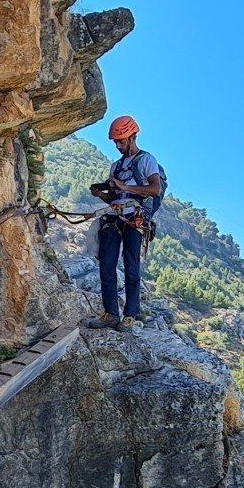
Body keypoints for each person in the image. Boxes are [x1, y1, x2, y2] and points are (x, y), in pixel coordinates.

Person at [88, 114, 163, 330]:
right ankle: (110, 313)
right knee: (107, 263)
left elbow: (155, 189)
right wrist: (101, 195)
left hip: (135, 218)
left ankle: (130, 315)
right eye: (116, 142)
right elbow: (114, 197)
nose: (118, 145)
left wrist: (125, 187)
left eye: (121, 141)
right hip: (114, 216)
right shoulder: (116, 166)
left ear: (132, 137)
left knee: (131, 265)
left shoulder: (147, 160)